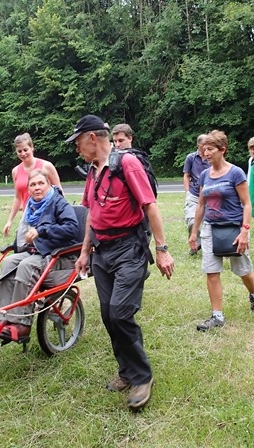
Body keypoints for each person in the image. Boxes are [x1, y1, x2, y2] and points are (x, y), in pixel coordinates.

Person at [68, 114, 174, 411]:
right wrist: (85, 252)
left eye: (78, 142)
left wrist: (163, 249)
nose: (77, 149)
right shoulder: (92, 171)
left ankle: (142, 376)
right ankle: (126, 372)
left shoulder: (127, 164)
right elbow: (90, 213)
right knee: (107, 315)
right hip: (101, 252)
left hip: (129, 249)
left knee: (120, 313)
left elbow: (150, 205)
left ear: (91, 138)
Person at [0, 170, 80, 340]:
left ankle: (21, 323)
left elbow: (72, 228)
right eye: (33, 184)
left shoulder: (59, 203)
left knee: (26, 266)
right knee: (9, 263)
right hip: (34, 251)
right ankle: (2, 318)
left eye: (41, 183)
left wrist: (42, 231)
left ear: (49, 185)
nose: (37, 188)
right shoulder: (30, 206)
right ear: (28, 189)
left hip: (56, 255)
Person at [188, 130, 254, 331]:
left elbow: (247, 204)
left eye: (210, 149)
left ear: (223, 149)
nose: (205, 153)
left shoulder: (235, 173)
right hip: (210, 228)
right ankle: (217, 316)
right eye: (204, 149)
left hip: (233, 228)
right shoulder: (204, 175)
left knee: (243, 270)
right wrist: (194, 232)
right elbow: (201, 205)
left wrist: (245, 230)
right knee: (211, 272)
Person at [3, 133, 62, 247]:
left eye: (25, 149)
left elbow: (59, 191)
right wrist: (9, 221)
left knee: (43, 250)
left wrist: (62, 214)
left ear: (32, 147)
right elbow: (18, 198)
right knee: (24, 247)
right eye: (19, 151)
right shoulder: (16, 171)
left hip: (47, 215)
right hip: (29, 216)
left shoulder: (46, 166)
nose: (23, 154)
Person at [183, 135, 210, 255]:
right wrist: (187, 191)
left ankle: (208, 246)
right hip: (194, 193)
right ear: (199, 146)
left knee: (208, 223)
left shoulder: (212, 157)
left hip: (209, 194)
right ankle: (196, 242)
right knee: (191, 220)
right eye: (205, 144)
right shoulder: (191, 158)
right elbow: (186, 175)